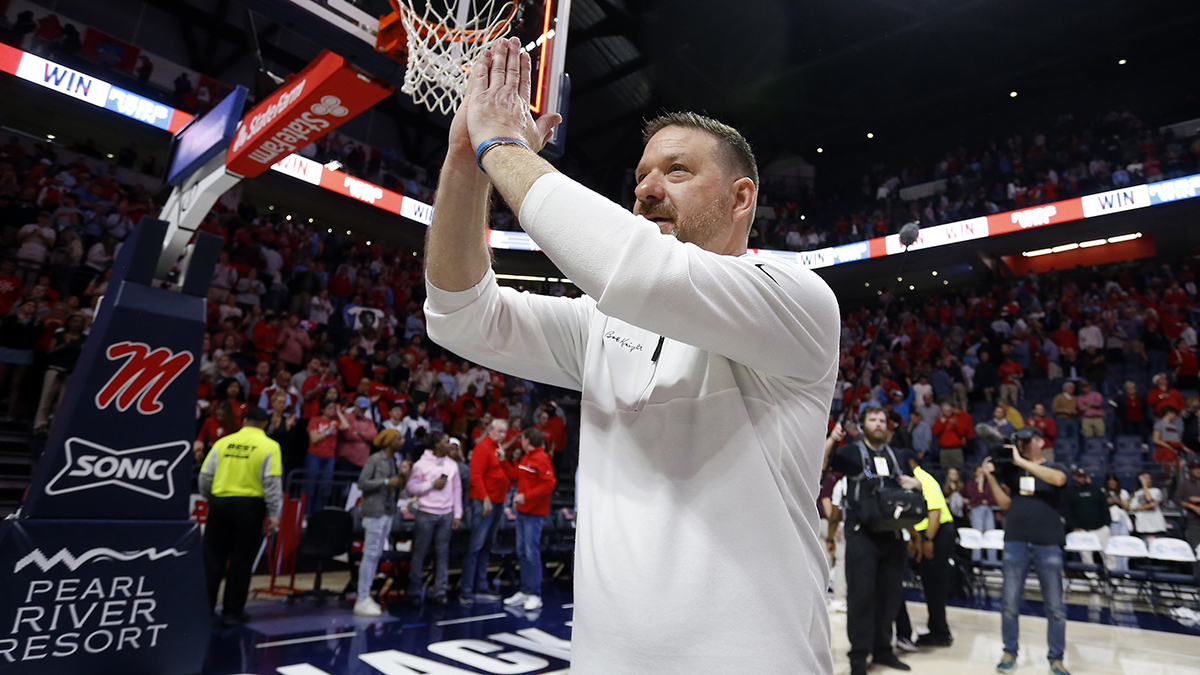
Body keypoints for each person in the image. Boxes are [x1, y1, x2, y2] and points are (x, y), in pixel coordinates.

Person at [423, 38, 839, 675]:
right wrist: (462, 163)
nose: (645, 191)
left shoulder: (796, 301)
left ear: (741, 198)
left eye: (675, 171)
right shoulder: (606, 322)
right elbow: (463, 317)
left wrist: (500, 146)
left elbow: (641, 272)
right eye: (639, 177)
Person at [828, 407, 923, 675]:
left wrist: (915, 485)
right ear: (863, 424)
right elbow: (822, 464)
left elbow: (925, 481)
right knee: (861, 596)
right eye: (873, 420)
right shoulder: (851, 452)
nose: (879, 424)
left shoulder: (897, 456)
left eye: (883, 420)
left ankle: (883, 650)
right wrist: (833, 439)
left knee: (890, 596)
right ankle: (858, 657)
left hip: (892, 533)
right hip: (862, 533)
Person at [981, 427, 1070, 675]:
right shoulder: (1012, 470)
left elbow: (1058, 481)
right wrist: (990, 477)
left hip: (1048, 543)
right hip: (1015, 541)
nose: (1022, 444)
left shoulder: (1057, 467)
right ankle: (1009, 652)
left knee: (1054, 606)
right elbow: (1005, 504)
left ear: (1040, 442)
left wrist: (1022, 462)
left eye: (1027, 440)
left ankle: (1056, 658)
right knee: (1009, 603)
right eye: (1020, 441)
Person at [199, 407, 283, 626]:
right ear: (265, 424)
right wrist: (274, 513)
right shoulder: (270, 446)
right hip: (249, 507)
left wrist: (211, 498)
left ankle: (202, 609)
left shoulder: (223, 442)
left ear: (245, 421)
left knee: (212, 559)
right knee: (241, 561)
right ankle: (232, 612)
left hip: (220, 503)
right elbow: (272, 482)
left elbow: (205, 475)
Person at [354, 428, 408, 616]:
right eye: (398, 438)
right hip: (374, 511)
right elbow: (362, 483)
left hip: (388, 512)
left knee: (375, 555)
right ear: (388, 441)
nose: (402, 441)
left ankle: (366, 595)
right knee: (369, 555)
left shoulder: (395, 460)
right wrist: (386, 482)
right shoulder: (375, 459)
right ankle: (361, 597)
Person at [461, 418, 515, 605]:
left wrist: (503, 459)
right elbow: (475, 475)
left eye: (504, 433)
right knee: (476, 546)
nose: (502, 435)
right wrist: (484, 498)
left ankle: (480, 586)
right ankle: (466, 591)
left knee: (486, 547)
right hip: (485, 502)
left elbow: (507, 475)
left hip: (498, 502)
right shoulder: (482, 447)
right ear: (490, 430)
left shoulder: (498, 450)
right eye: (499, 431)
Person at [405, 431, 463, 605]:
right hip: (426, 513)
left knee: (442, 553)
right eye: (446, 442)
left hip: (446, 514)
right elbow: (411, 488)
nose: (449, 445)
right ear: (437, 445)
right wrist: (431, 485)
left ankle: (440, 591)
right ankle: (415, 591)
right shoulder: (421, 465)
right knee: (420, 553)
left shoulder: (452, 465)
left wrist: (458, 514)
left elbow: (456, 491)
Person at [906, 452, 956, 647]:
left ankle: (942, 633)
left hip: (938, 533)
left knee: (935, 583)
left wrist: (927, 540)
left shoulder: (923, 478)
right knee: (929, 583)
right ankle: (936, 628)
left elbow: (934, 511)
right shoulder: (909, 480)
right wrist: (915, 538)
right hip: (925, 534)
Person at [503, 427, 557, 611]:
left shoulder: (542, 458)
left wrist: (527, 496)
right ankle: (525, 591)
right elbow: (514, 476)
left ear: (527, 440)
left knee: (531, 552)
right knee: (522, 551)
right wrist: (503, 460)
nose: (521, 441)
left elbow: (550, 484)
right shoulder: (526, 458)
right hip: (522, 511)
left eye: (522, 439)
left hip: (534, 513)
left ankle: (535, 594)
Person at [1061, 468, 1111, 565]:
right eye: (1079, 477)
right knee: (1086, 556)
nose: (1082, 479)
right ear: (1075, 477)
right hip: (1081, 530)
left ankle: (1113, 576)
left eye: (1084, 477)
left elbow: (1104, 508)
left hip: (1100, 528)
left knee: (1108, 554)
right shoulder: (1068, 492)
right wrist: (1073, 527)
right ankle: (1091, 577)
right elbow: (1067, 511)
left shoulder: (1096, 490)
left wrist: (1106, 524)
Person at [305, 400, 348, 514]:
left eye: (333, 408)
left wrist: (339, 413)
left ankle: (318, 514)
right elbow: (314, 438)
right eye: (329, 408)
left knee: (324, 487)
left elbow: (346, 426)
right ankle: (306, 514)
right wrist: (328, 430)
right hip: (314, 456)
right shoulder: (315, 420)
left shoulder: (335, 421)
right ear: (322, 410)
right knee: (311, 486)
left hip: (329, 458)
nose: (332, 411)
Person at [1173, 460, 1200, 582]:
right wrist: (1192, 506)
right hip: (1194, 523)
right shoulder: (1185, 484)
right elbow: (1177, 500)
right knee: (1197, 554)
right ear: (1190, 470)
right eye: (1195, 468)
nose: (1198, 470)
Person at [1129, 472, 1168, 536]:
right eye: (1145, 478)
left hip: (1157, 527)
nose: (1147, 480)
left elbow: (1150, 501)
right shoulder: (1137, 493)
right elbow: (1133, 508)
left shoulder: (1156, 491)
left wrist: (1144, 486)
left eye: (1149, 478)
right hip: (1142, 527)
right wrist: (1146, 507)